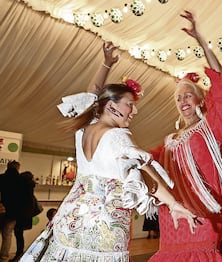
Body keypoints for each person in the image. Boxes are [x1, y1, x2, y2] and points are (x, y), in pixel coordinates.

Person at [20, 41, 196, 261]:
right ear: (112, 106)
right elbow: (146, 177)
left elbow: (93, 95)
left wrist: (106, 64)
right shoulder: (117, 137)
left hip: (69, 221)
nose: (135, 111)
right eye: (129, 104)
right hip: (103, 230)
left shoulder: (84, 129)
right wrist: (173, 204)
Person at [148, 10, 222, 261]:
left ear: (200, 99)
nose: (182, 101)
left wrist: (200, 39)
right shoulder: (169, 140)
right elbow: (147, 163)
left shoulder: (211, 126)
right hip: (174, 211)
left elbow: (221, 82)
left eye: (187, 95)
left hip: (205, 207)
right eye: (178, 98)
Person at [9, 171, 37, 262]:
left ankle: (19, 255)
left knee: (19, 235)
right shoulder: (29, 187)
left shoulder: (21, 188)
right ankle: (19, 254)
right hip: (27, 215)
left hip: (21, 215)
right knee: (19, 235)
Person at [0, 161, 21, 262]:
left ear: (8, 167)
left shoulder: (1, 177)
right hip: (13, 213)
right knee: (7, 235)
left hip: (1, 209)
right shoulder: (20, 180)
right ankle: (3, 257)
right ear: (18, 168)